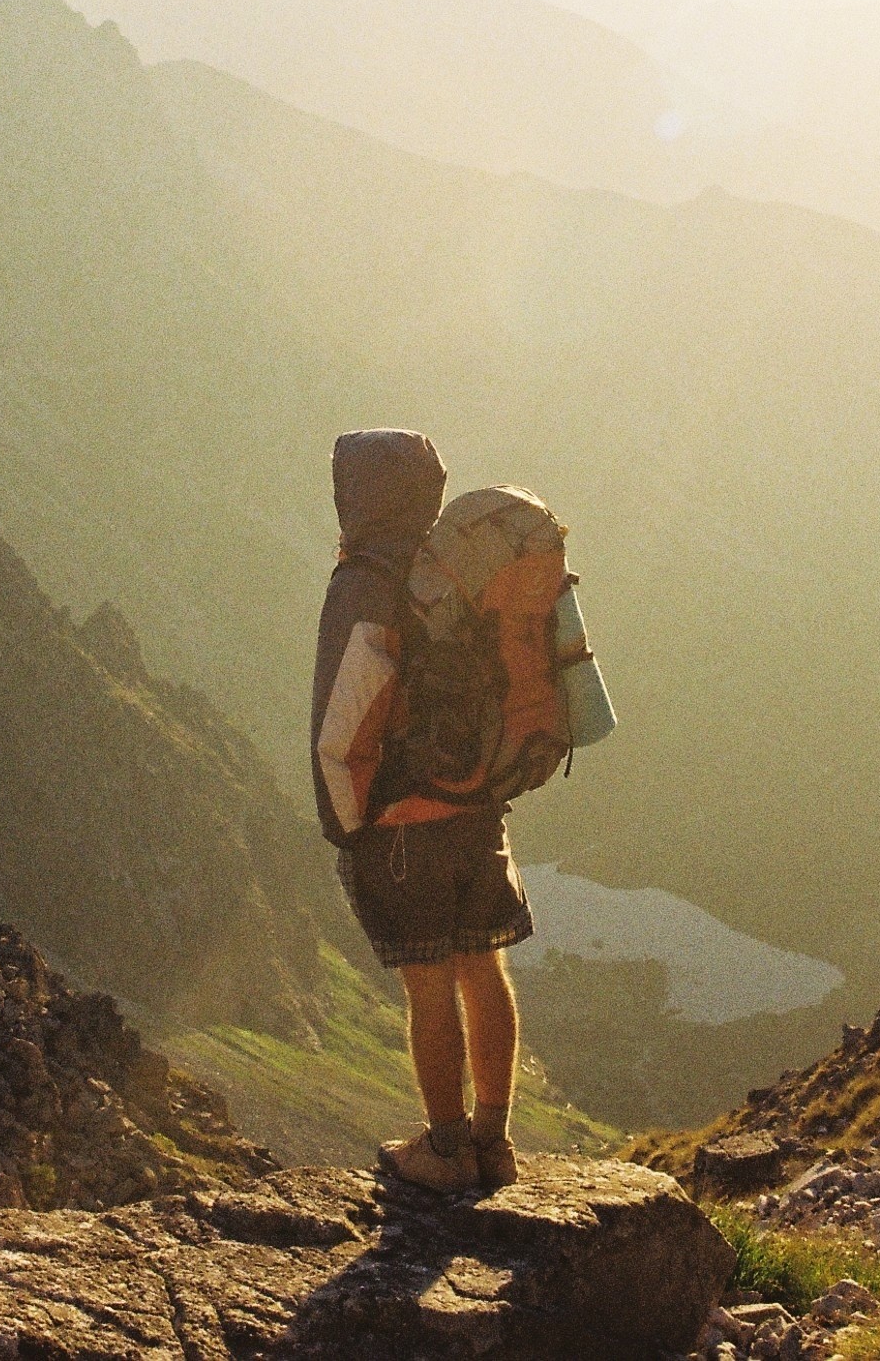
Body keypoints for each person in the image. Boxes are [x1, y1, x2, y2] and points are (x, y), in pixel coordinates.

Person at [311, 428, 533, 1191]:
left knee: (429, 983)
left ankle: (443, 1152)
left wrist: (346, 824)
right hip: (478, 806)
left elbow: (345, 715)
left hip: (403, 822)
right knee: (483, 964)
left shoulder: (364, 582)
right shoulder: (458, 570)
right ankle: (494, 1142)